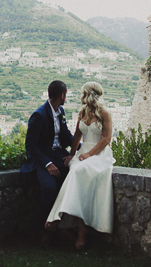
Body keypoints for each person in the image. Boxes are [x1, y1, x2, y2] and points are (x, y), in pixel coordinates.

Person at [45, 81, 114, 250]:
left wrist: (90, 154)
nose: (80, 97)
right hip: (83, 153)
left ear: (89, 95)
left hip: (99, 154)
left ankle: (58, 217)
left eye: (82, 94)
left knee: (78, 171)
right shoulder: (82, 112)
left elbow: (106, 138)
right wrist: (71, 154)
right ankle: (81, 229)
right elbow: (76, 136)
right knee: (75, 169)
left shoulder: (105, 113)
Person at [21, 80, 74, 245]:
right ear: (62, 95)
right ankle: (42, 230)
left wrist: (82, 148)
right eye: (66, 94)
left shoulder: (60, 110)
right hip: (42, 159)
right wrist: (47, 164)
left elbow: (66, 136)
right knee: (49, 188)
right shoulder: (39, 115)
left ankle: (63, 227)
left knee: (73, 182)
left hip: (59, 155)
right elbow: (30, 145)